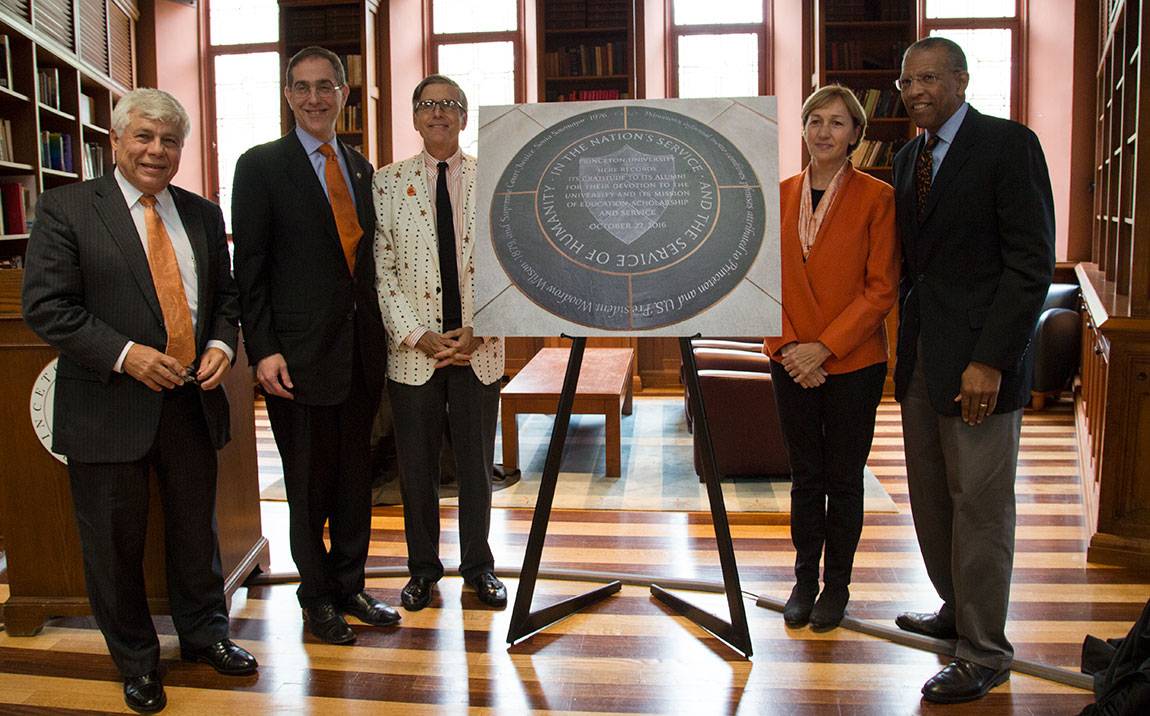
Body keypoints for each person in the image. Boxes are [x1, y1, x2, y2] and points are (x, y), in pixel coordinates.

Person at [21, 88, 256, 713]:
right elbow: (46, 306)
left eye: (169, 140)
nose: (157, 150)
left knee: (193, 533)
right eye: (144, 137)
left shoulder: (203, 215)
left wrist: (220, 346)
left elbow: (226, 299)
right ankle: (137, 662)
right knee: (113, 544)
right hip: (107, 405)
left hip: (191, 401)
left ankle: (206, 636)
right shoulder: (66, 208)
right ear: (115, 142)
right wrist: (128, 354)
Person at [892, 37, 1055, 703]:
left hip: (982, 366)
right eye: (907, 81)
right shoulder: (908, 158)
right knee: (932, 505)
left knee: (980, 508)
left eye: (930, 78)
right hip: (923, 362)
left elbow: (1030, 265)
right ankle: (957, 610)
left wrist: (990, 360)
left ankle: (986, 651)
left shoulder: (1009, 145)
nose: (917, 91)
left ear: (960, 79)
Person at [231, 46, 397, 645]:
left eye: (325, 86)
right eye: (301, 87)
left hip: (360, 353)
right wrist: (264, 349)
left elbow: (367, 267)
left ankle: (351, 585)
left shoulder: (360, 169)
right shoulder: (260, 166)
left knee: (357, 477)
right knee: (307, 483)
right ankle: (316, 596)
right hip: (295, 360)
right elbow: (248, 268)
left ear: (344, 94)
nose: (313, 98)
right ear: (286, 95)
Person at [764, 85, 899, 633]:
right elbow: (763, 281)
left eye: (837, 123)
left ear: (855, 134)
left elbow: (882, 287)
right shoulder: (778, 195)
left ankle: (836, 585)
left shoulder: (877, 197)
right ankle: (802, 580)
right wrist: (791, 348)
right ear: (802, 128)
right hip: (788, 355)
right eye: (815, 120)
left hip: (853, 361)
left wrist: (824, 346)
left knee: (843, 479)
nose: (824, 131)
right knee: (804, 477)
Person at [373, 74, 507, 611]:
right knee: (417, 468)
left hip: (479, 348)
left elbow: (507, 261)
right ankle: (423, 570)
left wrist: (481, 327)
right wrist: (417, 334)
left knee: (476, 469)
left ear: (464, 117)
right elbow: (380, 270)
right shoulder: (385, 183)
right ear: (414, 116)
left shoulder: (494, 178)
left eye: (450, 104)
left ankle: (479, 567)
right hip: (414, 354)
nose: (439, 113)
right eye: (428, 104)